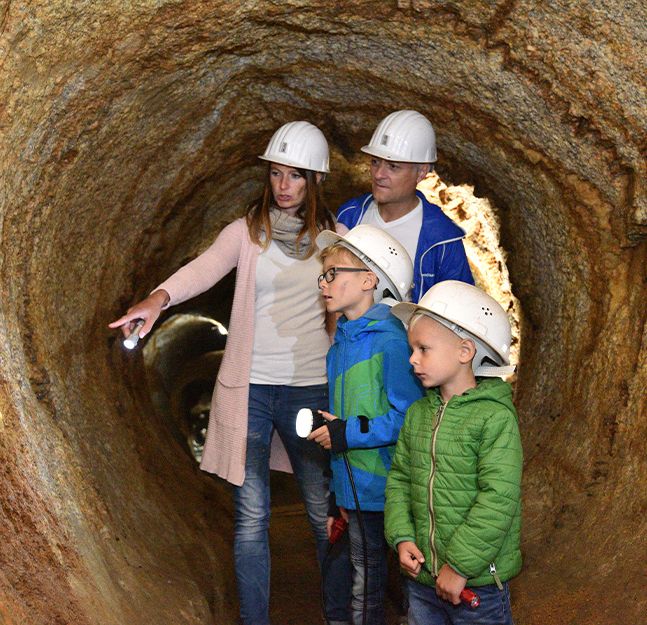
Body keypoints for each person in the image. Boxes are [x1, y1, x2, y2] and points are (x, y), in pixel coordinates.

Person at [109, 121, 352, 625]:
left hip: (310, 390)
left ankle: (338, 615)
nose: (283, 185)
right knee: (251, 518)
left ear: (315, 182)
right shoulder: (246, 234)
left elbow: (362, 300)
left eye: (295, 176)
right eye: (276, 173)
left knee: (320, 512)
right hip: (249, 392)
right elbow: (203, 269)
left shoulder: (336, 240)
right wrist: (157, 300)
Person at [385, 281, 522, 625]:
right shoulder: (418, 414)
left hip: (476, 587)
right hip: (422, 580)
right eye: (411, 348)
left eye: (423, 349)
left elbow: (498, 499)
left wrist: (460, 565)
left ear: (465, 351)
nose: (412, 359)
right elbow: (400, 478)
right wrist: (402, 536)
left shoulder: (494, 417)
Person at [307, 225, 425, 625]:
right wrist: (332, 494)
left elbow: (409, 417)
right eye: (323, 275)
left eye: (333, 273)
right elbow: (338, 423)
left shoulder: (390, 340)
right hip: (355, 491)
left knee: (405, 583)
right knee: (367, 580)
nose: (324, 283)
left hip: (391, 486)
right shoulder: (339, 344)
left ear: (369, 280)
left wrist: (348, 433)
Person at [336, 110, 474, 303]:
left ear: (422, 172)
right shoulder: (350, 214)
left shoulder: (443, 240)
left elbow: (460, 310)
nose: (378, 174)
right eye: (375, 162)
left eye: (393, 166)